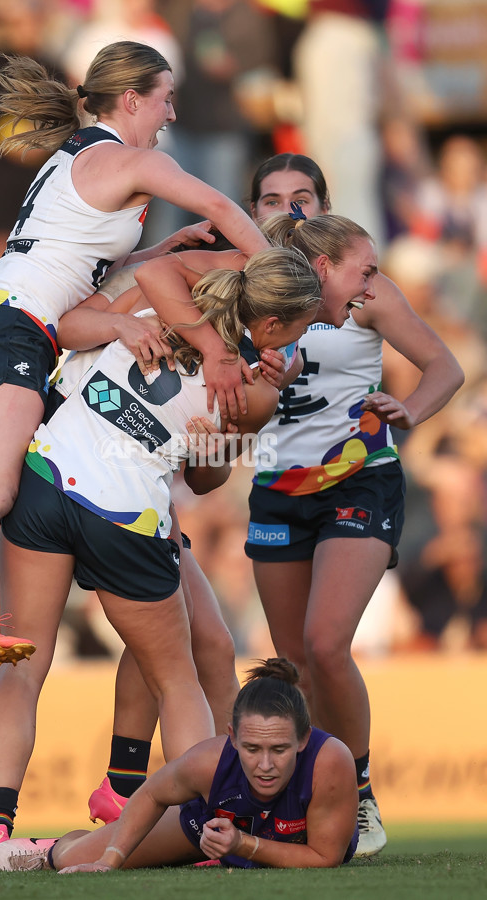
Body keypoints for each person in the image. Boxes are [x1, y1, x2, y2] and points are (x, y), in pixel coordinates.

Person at [0, 243, 322, 871]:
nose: (298, 341)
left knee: (22, 664)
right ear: (268, 325)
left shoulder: (151, 300)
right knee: (174, 676)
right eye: (298, 328)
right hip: (126, 513)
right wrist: (218, 437)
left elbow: (73, 327)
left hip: (48, 478)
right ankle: (212, 827)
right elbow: (203, 483)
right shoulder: (256, 390)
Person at [0, 39, 270, 675]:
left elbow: (79, 270)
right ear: (134, 98)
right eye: (166, 99)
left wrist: (159, 250)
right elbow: (224, 206)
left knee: (24, 526)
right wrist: (284, 271)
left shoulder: (79, 158)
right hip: (11, 332)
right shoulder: (128, 160)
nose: (172, 114)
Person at [55, 209, 381, 825]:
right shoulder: (192, 295)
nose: (367, 290)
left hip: (119, 489)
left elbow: (204, 477)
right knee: (160, 658)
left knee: (206, 642)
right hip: (87, 476)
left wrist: (221, 438)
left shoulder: (259, 368)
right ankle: (207, 815)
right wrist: (130, 327)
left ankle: (117, 788)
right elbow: (80, 318)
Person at [241, 153, 464, 856]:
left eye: (302, 197)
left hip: (358, 477)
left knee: (327, 641)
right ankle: (308, 802)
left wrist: (407, 412)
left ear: (324, 209)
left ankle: (360, 796)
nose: (288, 209)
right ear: (250, 213)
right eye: (271, 198)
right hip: (276, 489)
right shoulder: (238, 294)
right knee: (291, 662)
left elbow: (445, 367)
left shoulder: (364, 289)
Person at [0, 658, 359, 873]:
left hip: (238, 838)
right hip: (207, 828)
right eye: (251, 748)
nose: (264, 765)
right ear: (231, 737)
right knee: (72, 860)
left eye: (279, 749)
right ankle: (50, 847)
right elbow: (151, 794)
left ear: (304, 740)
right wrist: (110, 860)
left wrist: (241, 845)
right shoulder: (209, 761)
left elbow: (323, 858)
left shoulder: (330, 762)